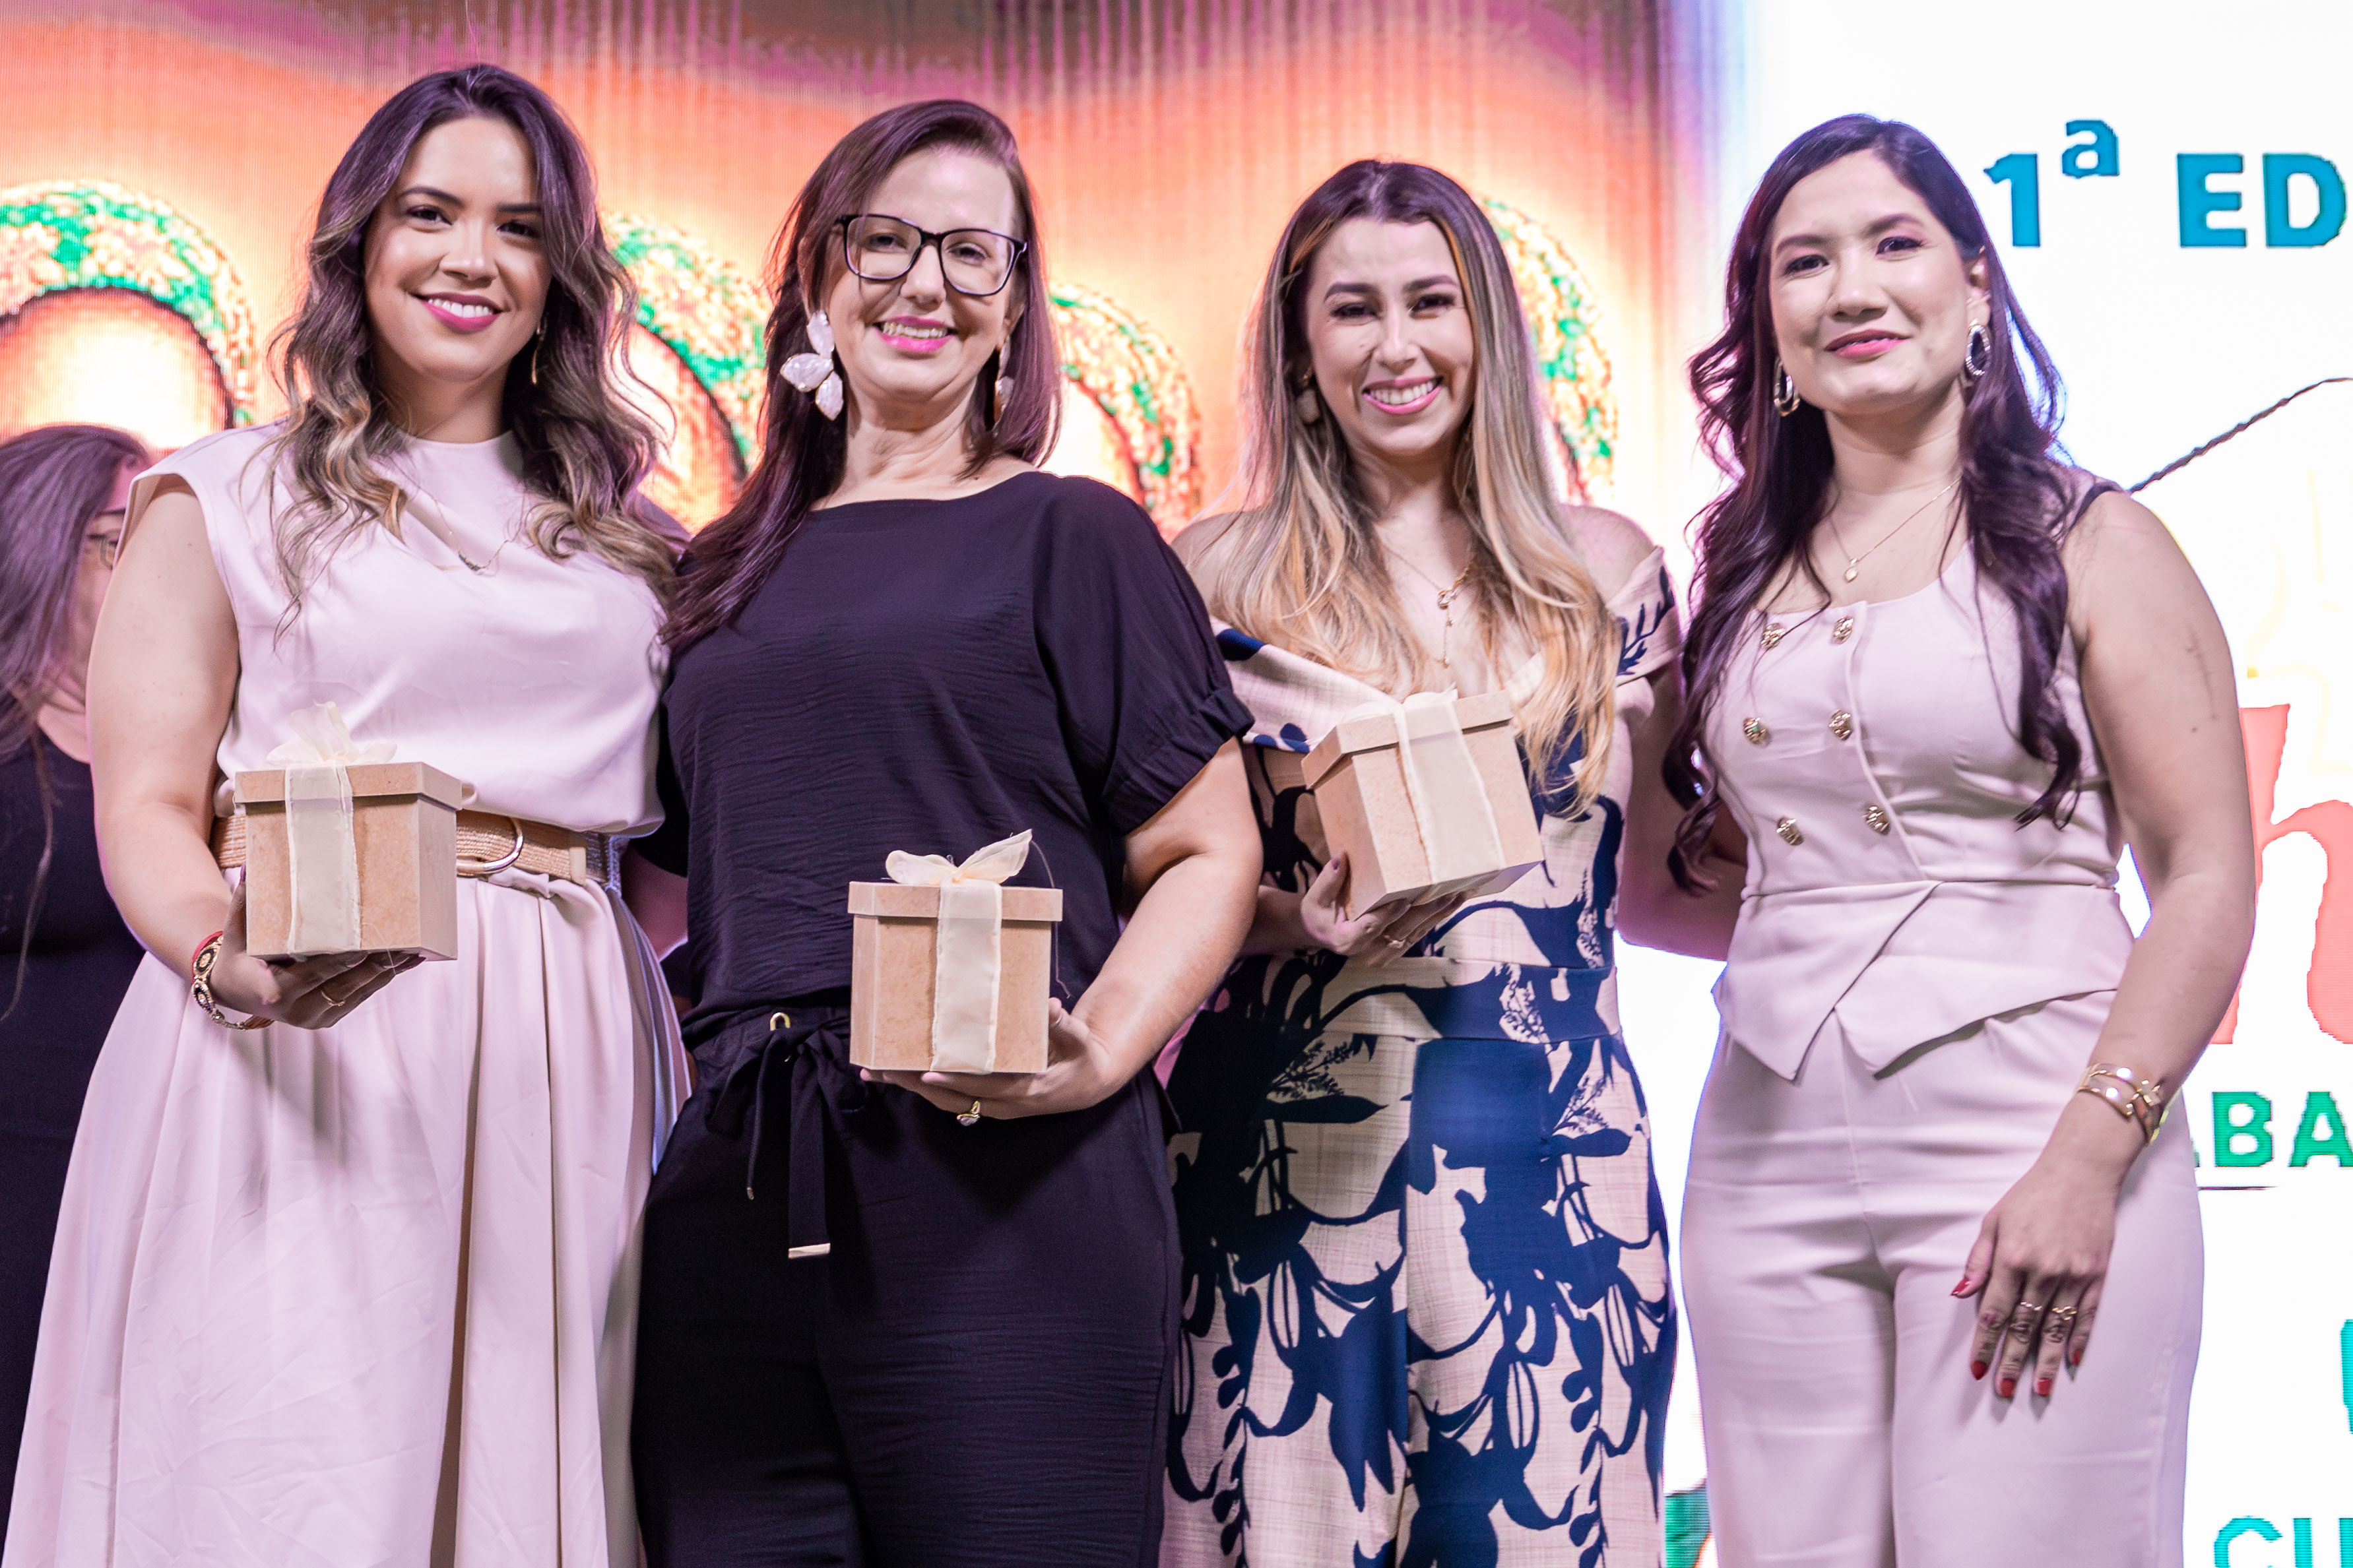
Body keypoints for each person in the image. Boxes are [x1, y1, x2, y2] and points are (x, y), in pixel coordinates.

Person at [5, 65, 688, 1567]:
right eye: (429, 213)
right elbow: (149, 804)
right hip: (292, 1029)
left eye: (518, 227)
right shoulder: (222, 495)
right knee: (289, 1464)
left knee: (527, 1465)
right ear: (359, 241)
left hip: (558, 1041)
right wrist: (225, 958)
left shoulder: (634, 544)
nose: (471, 259)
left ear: (561, 273)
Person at [626, 99, 1262, 1568]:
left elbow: (1205, 850)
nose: (926, 283)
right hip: (741, 1174)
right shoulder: (713, 575)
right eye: (887, 242)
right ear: (816, 276)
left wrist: (1097, 1053)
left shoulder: (1074, 535)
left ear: (1017, 304)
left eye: (973, 253)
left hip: (1007, 1169)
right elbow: (657, 886)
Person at [1665, 115, 2255, 1567]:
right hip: (1760, 1160)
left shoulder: (2093, 539)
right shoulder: (1731, 567)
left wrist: (2087, 1158)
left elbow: (2204, 874)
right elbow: (1712, 870)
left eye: (1894, 244)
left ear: (1977, 283)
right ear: (1767, 322)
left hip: (2031, 1140)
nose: (1852, 290)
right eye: (1805, 263)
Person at [1161, 160, 1688, 1567]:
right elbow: (1146, 884)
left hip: (1555, 1171)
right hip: (1282, 1164)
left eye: (1429, 303)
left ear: (1487, 329)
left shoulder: (1607, 573)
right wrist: (1292, 916)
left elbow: (1666, 866)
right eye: (1353, 310)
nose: (1395, 347)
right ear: (1299, 347)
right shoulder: (1210, 576)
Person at [0, 424, 151, 1537]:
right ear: (42, 547)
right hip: (21, 1181)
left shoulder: (199, 739)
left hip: (153, 1169)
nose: (146, 564)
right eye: (115, 538)